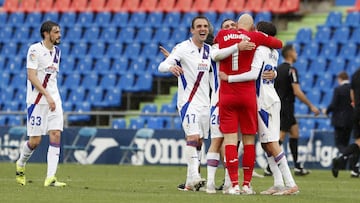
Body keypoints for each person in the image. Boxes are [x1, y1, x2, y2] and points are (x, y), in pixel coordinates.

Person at [219, 21, 299, 195]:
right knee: (265, 144)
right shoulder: (274, 52)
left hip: (263, 101)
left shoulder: (260, 50)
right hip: (270, 97)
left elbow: (254, 74)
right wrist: (275, 73)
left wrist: (229, 78)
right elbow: (270, 72)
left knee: (271, 143)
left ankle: (291, 183)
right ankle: (278, 182)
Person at [158, 16, 212, 191]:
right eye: (199, 26)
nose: (202, 29)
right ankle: (195, 176)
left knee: (200, 141)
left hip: (206, 103)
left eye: (205, 26)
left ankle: (190, 182)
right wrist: (171, 67)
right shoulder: (182, 48)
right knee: (193, 137)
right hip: (188, 102)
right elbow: (162, 66)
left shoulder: (210, 51)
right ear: (192, 30)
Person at [16, 21, 66, 187]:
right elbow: (32, 76)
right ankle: (21, 164)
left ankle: (50, 177)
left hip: (54, 100)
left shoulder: (57, 52)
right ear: (46, 34)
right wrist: (47, 96)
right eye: (56, 32)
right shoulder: (34, 50)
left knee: (56, 134)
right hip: (37, 101)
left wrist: (52, 98)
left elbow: (51, 79)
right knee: (35, 141)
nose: (59, 35)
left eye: (59, 32)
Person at [274, 44, 320, 176]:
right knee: (281, 135)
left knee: (295, 133)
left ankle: (297, 166)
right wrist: (311, 105)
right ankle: (270, 165)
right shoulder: (291, 70)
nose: (297, 54)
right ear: (290, 54)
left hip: (279, 104)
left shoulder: (278, 69)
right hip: (287, 106)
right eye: (295, 52)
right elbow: (297, 91)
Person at [332, 69, 360, 178]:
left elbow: (352, 93)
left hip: (356, 110)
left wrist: (356, 105)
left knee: (358, 142)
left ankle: (343, 161)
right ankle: (346, 162)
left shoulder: (355, 74)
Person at [323, 72, 353, 164]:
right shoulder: (352, 89)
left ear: (340, 79)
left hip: (339, 121)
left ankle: (349, 154)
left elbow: (333, 104)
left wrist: (326, 111)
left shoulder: (338, 89)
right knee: (346, 142)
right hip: (350, 120)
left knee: (339, 143)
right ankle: (344, 163)